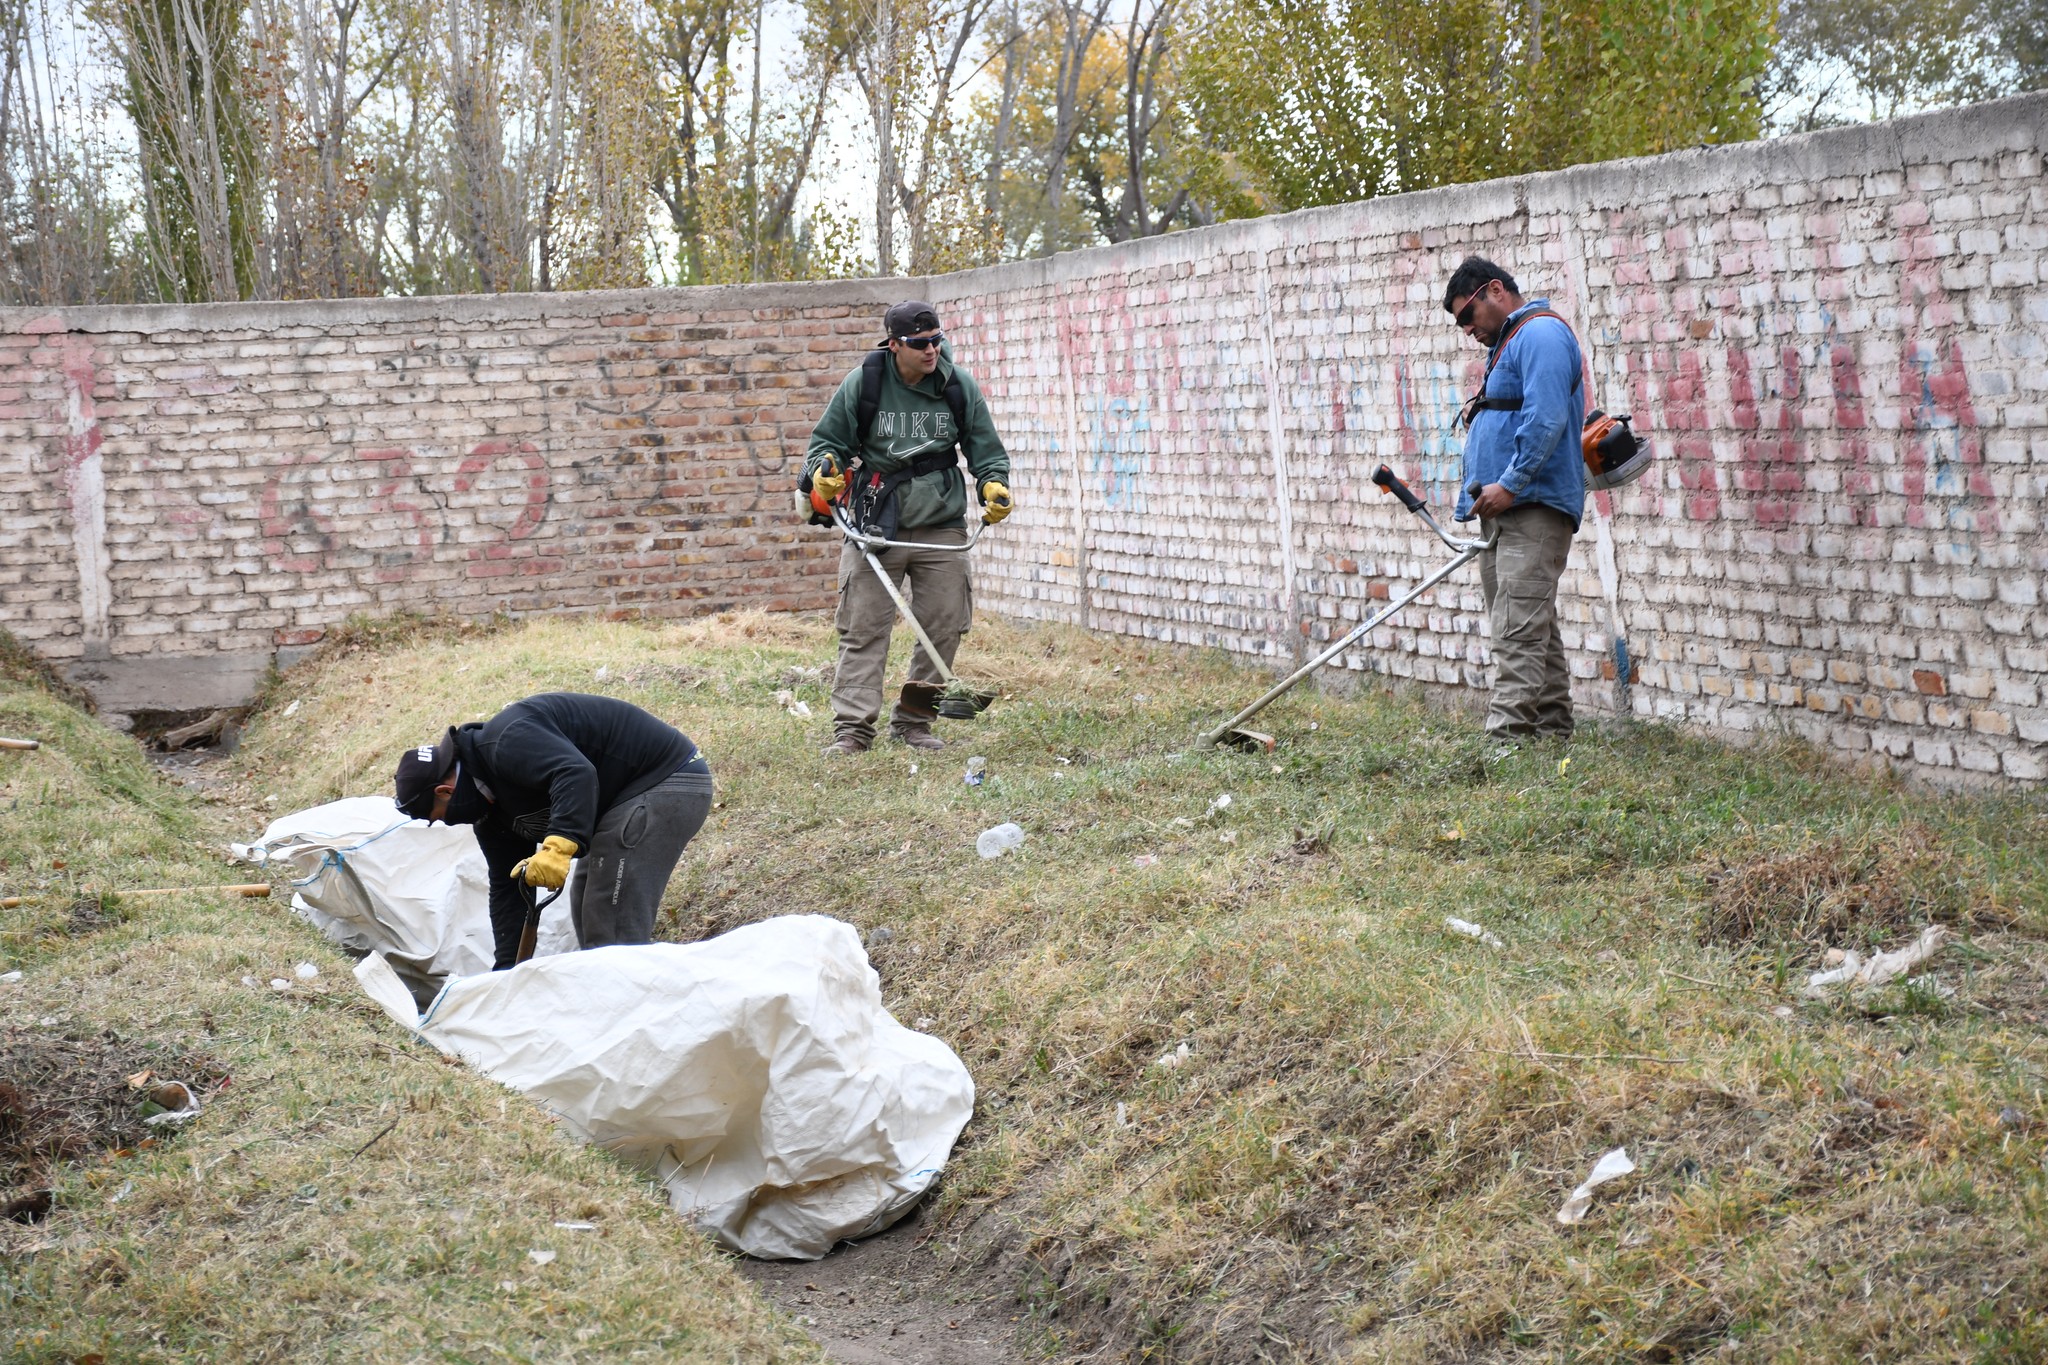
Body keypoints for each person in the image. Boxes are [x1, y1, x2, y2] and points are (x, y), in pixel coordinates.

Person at [805, 300, 1013, 756]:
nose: (931, 350)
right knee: (864, 628)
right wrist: (825, 472)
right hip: (877, 520)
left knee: (944, 622)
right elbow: (826, 444)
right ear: (894, 344)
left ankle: (915, 722)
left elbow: (986, 450)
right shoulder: (865, 383)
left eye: (936, 340)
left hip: (941, 524)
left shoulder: (958, 387)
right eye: (920, 344)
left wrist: (995, 485)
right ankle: (853, 732)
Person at [392, 693, 712, 969]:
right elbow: (508, 889)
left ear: (445, 791)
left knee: (608, 920)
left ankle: (626, 1017)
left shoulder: (505, 741)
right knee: (585, 906)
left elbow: (575, 773)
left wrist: (559, 846)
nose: (446, 822)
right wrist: (508, 971)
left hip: (667, 779)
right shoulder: (490, 815)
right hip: (622, 801)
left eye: (436, 816)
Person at [1443, 255, 1587, 741]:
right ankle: (1551, 734)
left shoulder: (1541, 335)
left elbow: (1546, 420)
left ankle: (1507, 743)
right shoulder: (1510, 342)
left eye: (1468, 315)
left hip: (1531, 505)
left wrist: (1510, 483)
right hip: (1505, 509)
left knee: (1516, 631)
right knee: (1529, 627)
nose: (1466, 329)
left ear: (1496, 291)